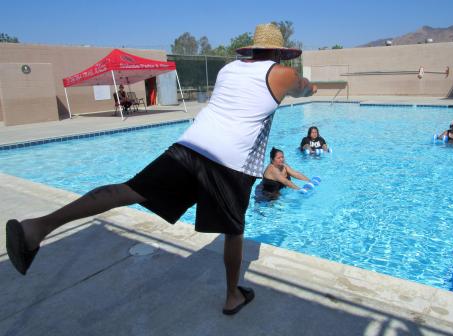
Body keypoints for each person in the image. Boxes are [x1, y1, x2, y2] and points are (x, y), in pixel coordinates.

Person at [5, 23, 317, 316]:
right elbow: (302, 88)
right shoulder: (282, 74)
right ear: (279, 53)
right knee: (233, 231)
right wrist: (310, 88)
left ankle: (37, 227)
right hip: (230, 164)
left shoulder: (227, 70)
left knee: (127, 190)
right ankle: (232, 296)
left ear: (250, 50)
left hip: (190, 147)